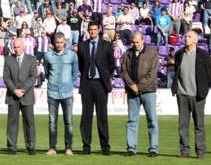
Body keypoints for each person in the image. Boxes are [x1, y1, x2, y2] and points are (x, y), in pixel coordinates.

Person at [172, 30, 211, 159]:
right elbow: (177, 71)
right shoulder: (179, 54)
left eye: (189, 37)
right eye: (186, 36)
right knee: (182, 125)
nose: (186, 38)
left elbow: (210, 74)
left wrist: (203, 90)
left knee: (199, 125)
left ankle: (200, 151)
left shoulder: (203, 55)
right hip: (182, 95)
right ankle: (184, 150)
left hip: (198, 96)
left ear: (195, 40)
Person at [77, 22, 115, 155]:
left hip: (100, 84)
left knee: (102, 117)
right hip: (87, 84)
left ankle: (105, 147)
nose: (92, 32)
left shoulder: (107, 45)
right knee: (86, 117)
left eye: (95, 29)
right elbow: (81, 66)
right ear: (88, 31)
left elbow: (111, 65)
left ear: (98, 30)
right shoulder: (82, 46)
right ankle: (86, 147)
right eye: (90, 30)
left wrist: (104, 77)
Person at [121, 32, 159, 157]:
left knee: (152, 120)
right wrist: (132, 85)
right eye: (133, 42)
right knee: (132, 121)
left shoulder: (152, 52)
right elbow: (123, 71)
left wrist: (138, 86)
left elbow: (152, 73)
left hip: (148, 91)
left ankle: (153, 148)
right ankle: (131, 148)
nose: (135, 44)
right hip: (132, 92)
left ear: (143, 40)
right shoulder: (127, 54)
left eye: (137, 42)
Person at [43, 32, 79, 156]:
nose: (59, 45)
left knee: (68, 121)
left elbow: (75, 73)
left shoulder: (72, 55)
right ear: (54, 43)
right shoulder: (48, 56)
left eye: (61, 42)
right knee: (52, 121)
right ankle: (52, 147)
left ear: (65, 42)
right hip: (52, 93)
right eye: (57, 42)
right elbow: (47, 72)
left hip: (67, 93)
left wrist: (68, 83)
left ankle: (68, 147)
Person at [3, 38, 38, 155]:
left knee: (29, 122)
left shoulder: (32, 59)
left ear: (23, 47)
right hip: (12, 96)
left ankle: (31, 146)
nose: (16, 49)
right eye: (15, 47)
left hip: (26, 95)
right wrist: (14, 90)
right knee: (12, 122)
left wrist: (23, 90)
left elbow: (33, 77)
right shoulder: (8, 59)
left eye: (18, 47)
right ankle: (12, 147)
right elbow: (6, 77)